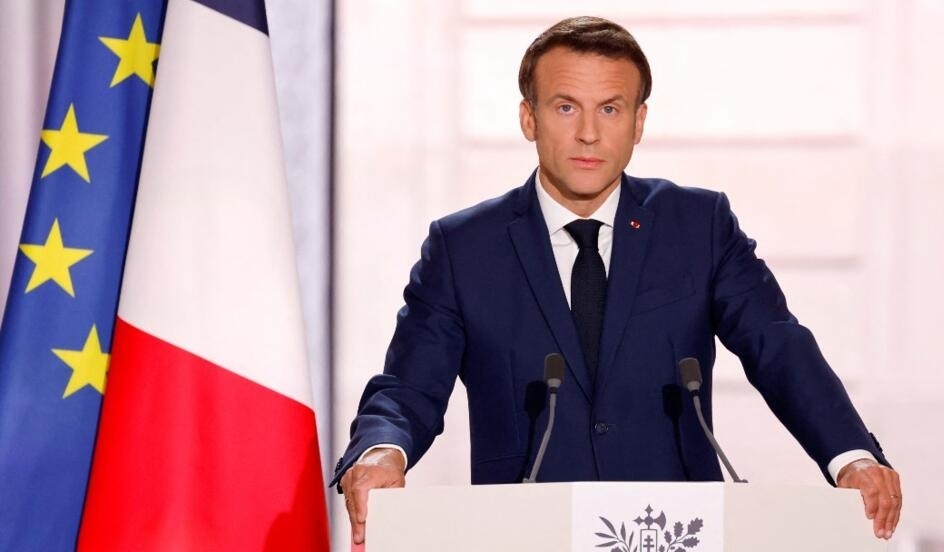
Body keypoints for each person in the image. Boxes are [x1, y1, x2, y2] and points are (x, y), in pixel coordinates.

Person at [334, 15, 902, 545]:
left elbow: (777, 347)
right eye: (565, 107)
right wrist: (381, 452)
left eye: (610, 109)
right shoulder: (463, 247)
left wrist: (851, 456)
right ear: (529, 118)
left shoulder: (698, 226)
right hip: (525, 535)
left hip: (673, 533)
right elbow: (408, 388)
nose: (588, 133)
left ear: (638, 122)